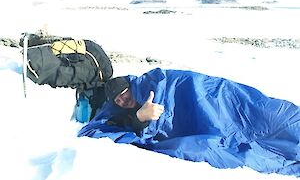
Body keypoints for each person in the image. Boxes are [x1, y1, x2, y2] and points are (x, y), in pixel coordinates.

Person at [78, 67, 300, 177]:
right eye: (118, 100)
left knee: (267, 115)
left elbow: (189, 87)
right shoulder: (120, 112)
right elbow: (95, 132)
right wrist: (140, 120)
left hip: (219, 102)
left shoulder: (155, 85)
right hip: (199, 132)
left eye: (125, 94)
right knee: (208, 148)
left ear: (131, 85)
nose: (123, 100)